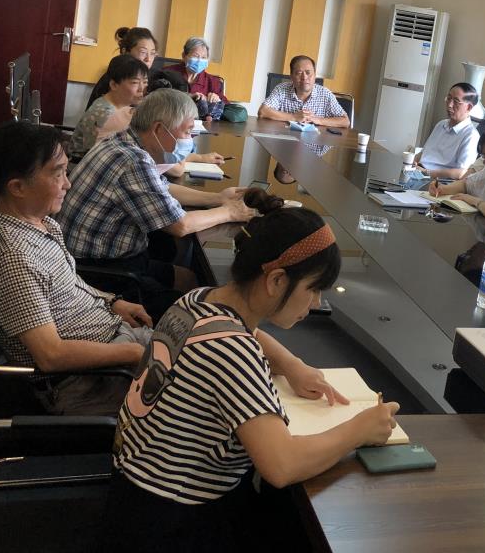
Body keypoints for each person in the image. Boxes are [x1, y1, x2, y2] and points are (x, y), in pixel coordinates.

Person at [100, 208, 400, 550]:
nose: (316, 303)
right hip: (176, 523)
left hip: (134, 495)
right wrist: (359, 429)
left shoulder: (197, 299)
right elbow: (282, 465)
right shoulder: (232, 351)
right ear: (276, 280)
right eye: (314, 289)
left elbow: (247, 332)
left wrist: (291, 364)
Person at [0, 121, 154, 416]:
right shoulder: (14, 258)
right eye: (57, 174)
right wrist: (133, 353)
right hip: (86, 380)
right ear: (17, 187)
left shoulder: (37, 222)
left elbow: (65, 282)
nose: (67, 184)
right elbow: (51, 356)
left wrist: (112, 302)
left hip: (111, 342)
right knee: (205, 403)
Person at [58, 89, 256, 316]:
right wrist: (229, 213)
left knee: (190, 278)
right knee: (198, 306)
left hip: (101, 259)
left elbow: (163, 188)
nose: (190, 139)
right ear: (159, 129)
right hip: (101, 273)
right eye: (187, 131)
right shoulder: (133, 160)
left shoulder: (124, 141)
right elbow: (180, 225)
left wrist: (217, 198)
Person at [67, 54, 148, 161]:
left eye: (145, 82)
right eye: (135, 82)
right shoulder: (106, 114)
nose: (142, 89)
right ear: (114, 85)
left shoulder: (116, 104)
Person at [258, 54, 349, 128]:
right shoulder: (281, 89)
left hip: (315, 142)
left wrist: (319, 120)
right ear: (291, 76)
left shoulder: (325, 94)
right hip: (285, 139)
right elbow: (263, 112)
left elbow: (345, 121)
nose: (304, 77)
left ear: (315, 75)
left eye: (308, 73)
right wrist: (293, 117)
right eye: (299, 73)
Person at [415, 82, 481, 179]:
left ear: (469, 107)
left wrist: (426, 172)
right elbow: (425, 152)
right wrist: (413, 161)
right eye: (449, 98)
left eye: (456, 101)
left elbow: (461, 173)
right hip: (418, 172)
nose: (450, 105)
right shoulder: (441, 124)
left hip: (437, 181)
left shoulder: (471, 136)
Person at [87, 27, 159, 109]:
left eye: (152, 53)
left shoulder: (154, 77)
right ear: (125, 52)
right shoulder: (113, 77)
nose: (148, 59)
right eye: (143, 52)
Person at [163, 36, 229, 121]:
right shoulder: (168, 73)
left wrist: (218, 100)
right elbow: (157, 97)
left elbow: (228, 107)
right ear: (184, 56)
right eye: (195, 56)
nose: (199, 60)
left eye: (203, 57)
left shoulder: (213, 81)